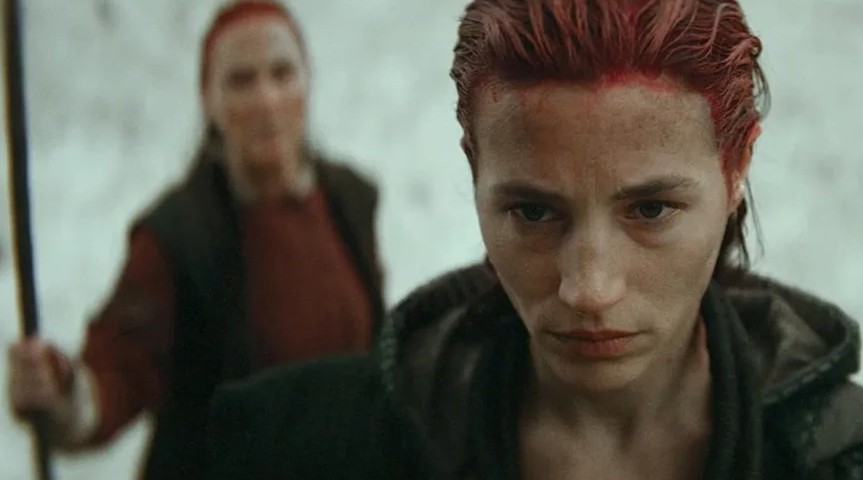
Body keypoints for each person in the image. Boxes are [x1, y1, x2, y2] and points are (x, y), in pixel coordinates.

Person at [206, 0, 863, 478]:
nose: (589, 289)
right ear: (474, 169)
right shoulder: (287, 446)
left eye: (650, 209)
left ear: (736, 167)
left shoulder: (839, 456)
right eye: (533, 212)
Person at [6, 1, 384, 478]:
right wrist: (62, 392)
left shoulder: (348, 201)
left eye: (282, 73)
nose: (267, 100)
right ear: (209, 101)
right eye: (241, 81)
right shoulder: (178, 238)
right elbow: (119, 370)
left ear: (307, 82)